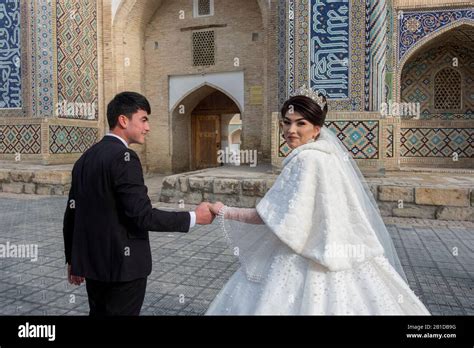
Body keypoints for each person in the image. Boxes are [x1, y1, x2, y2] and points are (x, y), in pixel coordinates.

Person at [205, 88, 430, 315]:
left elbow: (267, 216)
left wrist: (224, 210)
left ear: (316, 129)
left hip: (302, 257)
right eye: (286, 123)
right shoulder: (328, 157)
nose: (291, 130)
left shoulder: (305, 160)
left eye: (300, 124)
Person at [63, 92, 215, 316]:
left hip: (94, 267)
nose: (148, 127)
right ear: (123, 120)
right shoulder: (125, 158)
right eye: (143, 119)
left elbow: (71, 215)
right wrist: (193, 217)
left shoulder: (85, 159)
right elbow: (143, 216)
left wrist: (74, 260)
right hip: (124, 270)